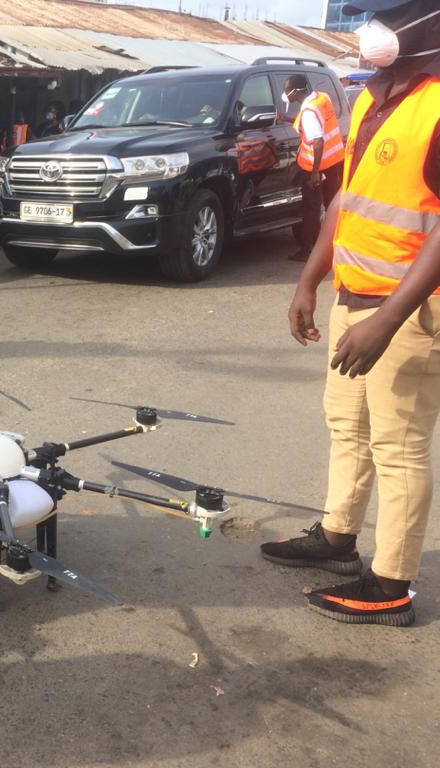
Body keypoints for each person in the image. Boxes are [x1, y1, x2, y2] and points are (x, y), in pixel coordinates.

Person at [264, 0, 440, 628]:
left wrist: (389, 319)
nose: (371, 26)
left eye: (386, 14)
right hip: (354, 298)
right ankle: (338, 538)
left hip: (414, 315)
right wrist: (308, 280)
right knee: (347, 425)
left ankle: (391, 584)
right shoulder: (375, 95)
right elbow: (347, 196)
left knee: (399, 446)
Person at [283, 74, 344, 262]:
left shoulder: (309, 111)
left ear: (297, 91)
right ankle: (338, 246)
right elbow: (314, 124)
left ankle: (306, 249)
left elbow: (317, 140)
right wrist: (285, 118)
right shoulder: (321, 98)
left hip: (317, 168)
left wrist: (315, 172)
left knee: (311, 208)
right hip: (334, 161)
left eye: (287, 91)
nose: (286, 95)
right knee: (333, 205)